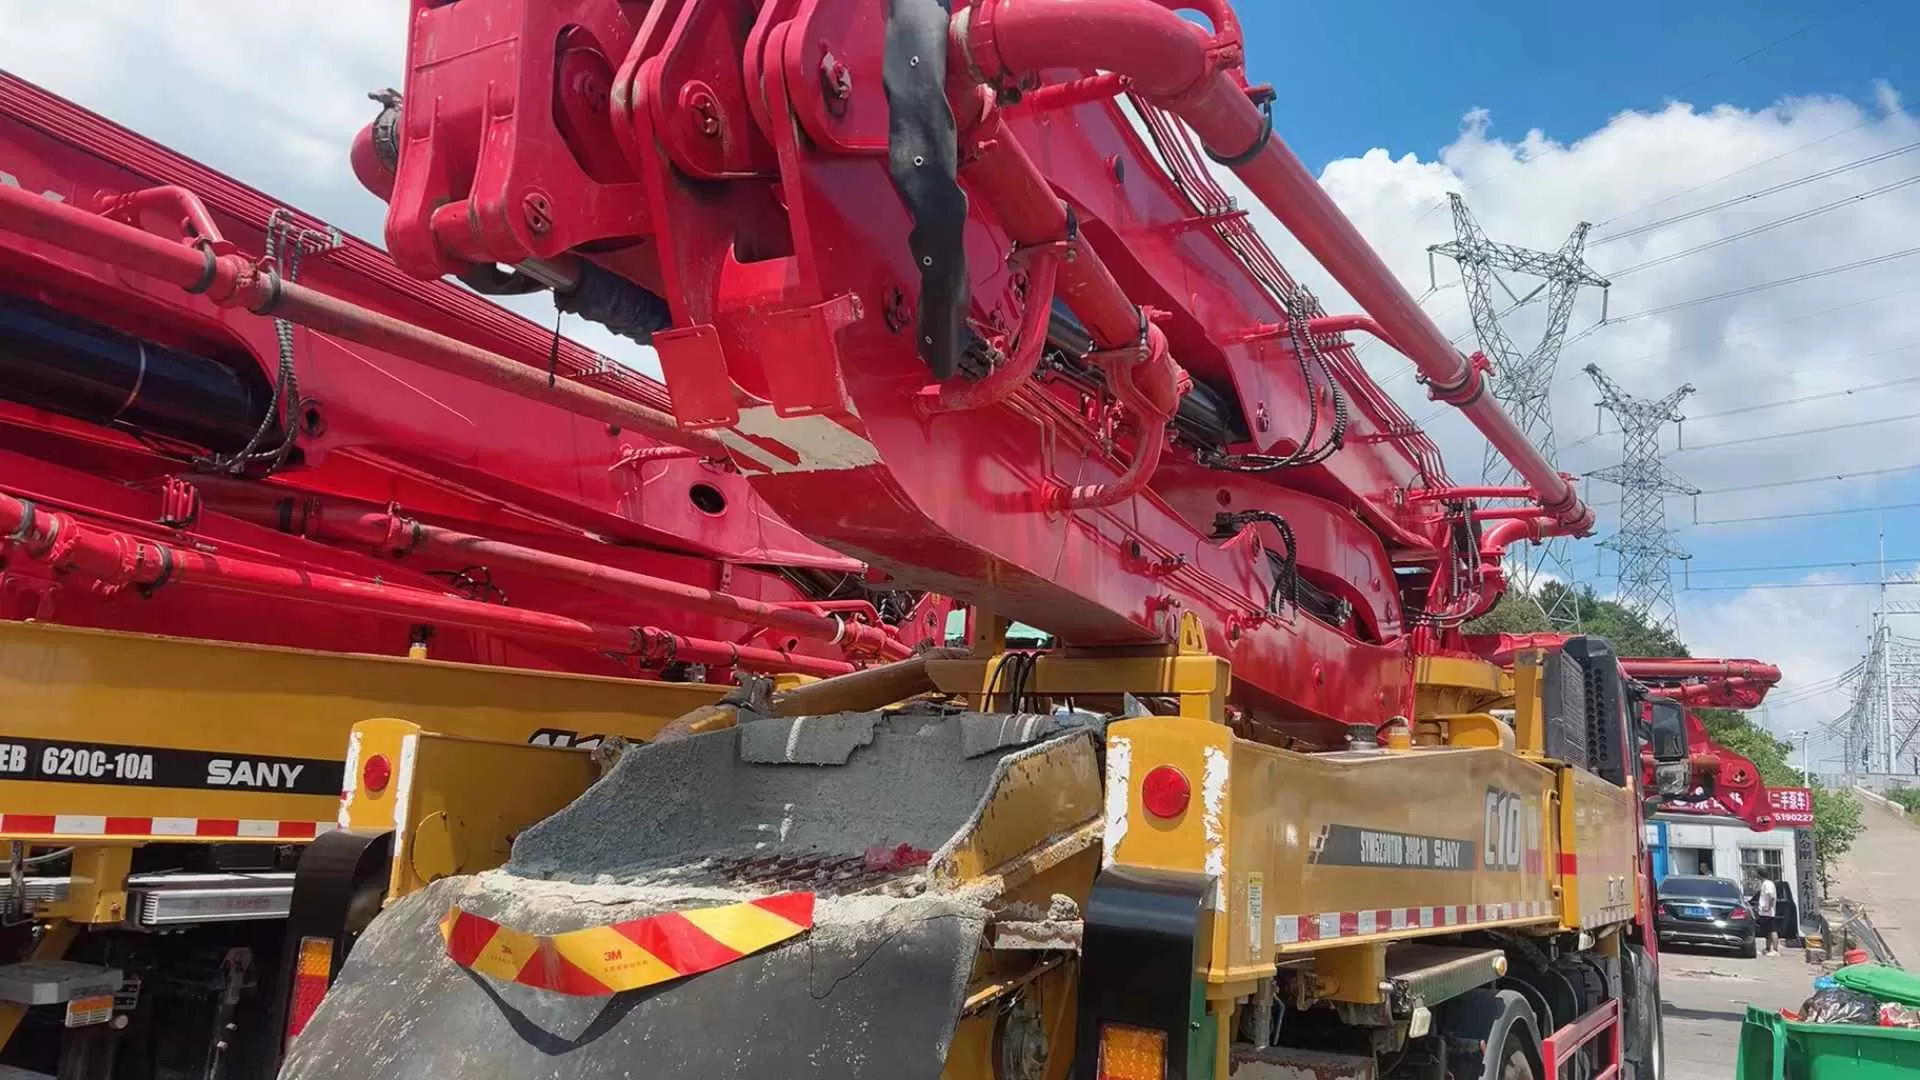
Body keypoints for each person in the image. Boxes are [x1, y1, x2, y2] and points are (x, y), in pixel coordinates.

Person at [1754, 873, 1780, 955]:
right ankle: (1768, 948)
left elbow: (1771, 896)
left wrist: (1769, 907)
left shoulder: (1767, 884)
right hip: (1765, 912)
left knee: (1772, 930)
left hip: (1768, 912)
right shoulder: (1766, 883)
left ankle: (1775, 950)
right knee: (1768, 931)